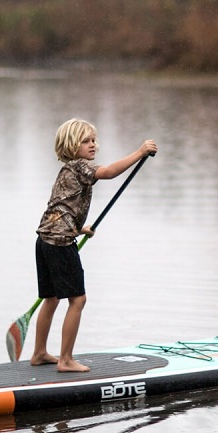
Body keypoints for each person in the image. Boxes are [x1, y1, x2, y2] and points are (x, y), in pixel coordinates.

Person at [32, 118, 157, 372]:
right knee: (78, 300)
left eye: (93, 140)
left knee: (51, 298)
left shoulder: (67, 171)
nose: (92, 145)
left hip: (45, 239)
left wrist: (79, 229)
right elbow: (108, 173)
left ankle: (39, 353)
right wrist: (140, 152)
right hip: (60, 244)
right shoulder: (79, 167)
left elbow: (59, 207)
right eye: (85, 141)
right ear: (70, 145)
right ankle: (65, 360)